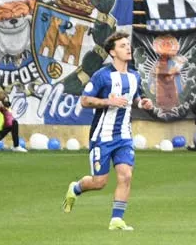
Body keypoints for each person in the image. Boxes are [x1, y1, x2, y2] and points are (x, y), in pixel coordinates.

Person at [62, 33, 155, 232]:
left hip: (124, 136)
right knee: (99, 182)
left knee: (126, 175)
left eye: (128, 45)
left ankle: (117, 220)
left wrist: (142, 103)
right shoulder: (102, 75)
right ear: (113, 52)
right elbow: (85, 101)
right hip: (102, 137)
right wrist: (108, 101)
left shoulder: (134, 76)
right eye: (122, 46)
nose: (128, 48)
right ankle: (75, 188)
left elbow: (135, 97)